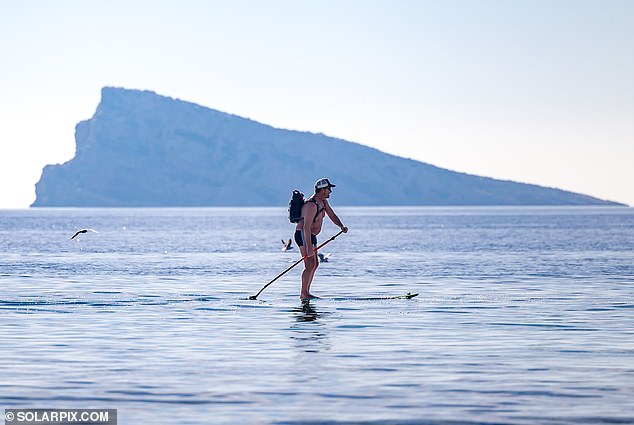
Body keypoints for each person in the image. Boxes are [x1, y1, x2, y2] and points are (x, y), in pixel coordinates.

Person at [294, 178, 348, 299]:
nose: (330, 192)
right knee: (309, 263)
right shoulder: (311, 205)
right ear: (322, 190)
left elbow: (332, 215)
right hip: (303, 235)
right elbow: (306, 228)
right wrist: (308, 248)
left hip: (311, 236)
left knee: (315, 263)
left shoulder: (323, 202)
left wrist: (341, 226)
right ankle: (304, 293)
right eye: (329, 189)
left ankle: (306, 292)